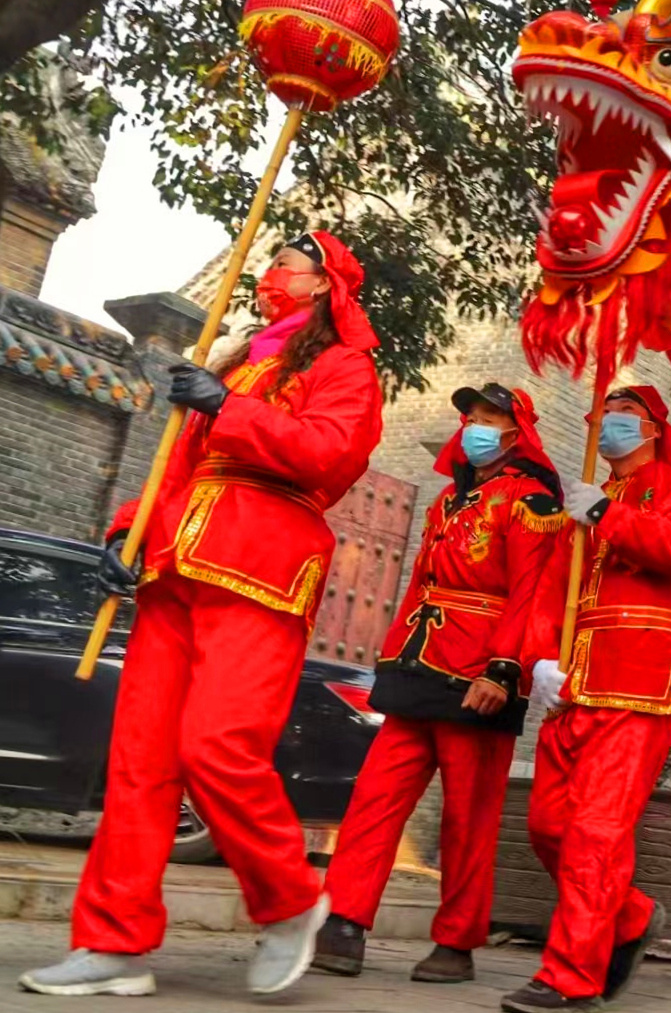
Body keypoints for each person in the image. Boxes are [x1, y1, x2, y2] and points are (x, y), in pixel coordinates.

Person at [19, 232, 384, 998]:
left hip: (262, 565)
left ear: (322, 284)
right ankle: (112, 942)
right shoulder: (238, 361)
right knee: (138, 764)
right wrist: (127, 531)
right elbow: (173, 468)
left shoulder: (343, 367)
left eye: (284, 265)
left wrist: (233, 408)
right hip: (175, 567)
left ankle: (289, 900)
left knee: (218, 747)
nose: (266, 275)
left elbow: (331, 456)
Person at [313, 384, 565, 982]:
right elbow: (421, 580)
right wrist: (393, 652)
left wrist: (507, 669)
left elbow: (535, 592)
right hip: (418, 661)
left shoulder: (529, 501)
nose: (475, 426)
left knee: (468, 817)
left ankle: (457, 941)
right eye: (470, 416)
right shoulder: (448, 501)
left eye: (490, 419)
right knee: (375, 798)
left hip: (480, 669)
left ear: (516, 433)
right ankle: (343, 919)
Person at [501, 385, 671, 1013]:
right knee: (547, 826)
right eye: (607, 413)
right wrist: (538, 658)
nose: (610, 423)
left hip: (641, 681)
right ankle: (628, 916)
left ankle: (570, 979)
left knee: (596, 834)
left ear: (651, 428)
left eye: (624, 415)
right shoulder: (582, 507)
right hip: (574, 684)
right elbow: (551, 589)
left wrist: (605, 515)